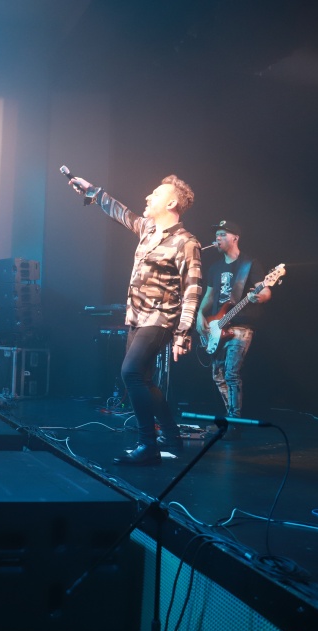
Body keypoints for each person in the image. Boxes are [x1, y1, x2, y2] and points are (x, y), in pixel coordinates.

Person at [67, 172, 202, 465]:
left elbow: (192, 289)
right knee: (143, 380)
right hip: (137, 317)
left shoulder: (186, 242)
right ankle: (172, 438)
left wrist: (183, 332)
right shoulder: (147, 229)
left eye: (156, 194)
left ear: (171, 203)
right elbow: (122, 213)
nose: (148, 197)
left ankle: (148, 444)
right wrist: (92, 191)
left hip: (160, 318)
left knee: (130, 373)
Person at [196, 220, 271, 438]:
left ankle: (234, 422)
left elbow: (265, 289)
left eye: (222, 234)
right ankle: (231, 418)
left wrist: (260, 297)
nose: (217, 238)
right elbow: (209, 296)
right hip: (218, 325)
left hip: (241, 326)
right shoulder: (215, 268)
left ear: (235, 238)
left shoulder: (249, 264)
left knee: (231, 372)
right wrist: (200, 315)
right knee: (218, 374)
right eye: (216, 235)